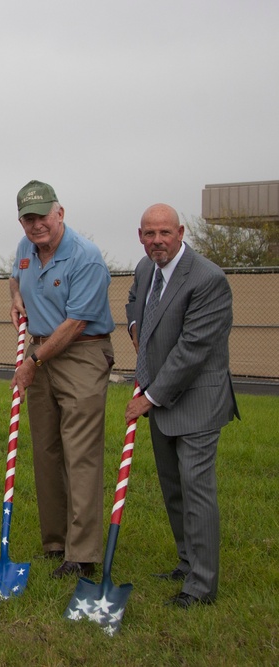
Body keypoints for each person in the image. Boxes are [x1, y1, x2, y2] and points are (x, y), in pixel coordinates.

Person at [125, 203, 238, 608]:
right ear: (141, 236)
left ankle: (201, 586)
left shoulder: (208, 279)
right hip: (160, 399)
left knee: (196, 490)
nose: (157, 241)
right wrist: (136, 329)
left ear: (181, 232)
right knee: (174, 489)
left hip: (196, 401)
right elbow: (134, 303)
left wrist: (148, 398)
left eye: (165, 233)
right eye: (149, 233)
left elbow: (193, 349)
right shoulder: (145, 268)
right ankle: (187, 561)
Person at [9, 180, 115, 579]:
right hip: (40, 351)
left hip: (80, 352)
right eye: (28, 219)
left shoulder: (86, 257)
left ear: (60, 213)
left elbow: (76, 323)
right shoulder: (25, 249)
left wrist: (32, 361)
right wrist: (15, 296)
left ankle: (82, 554)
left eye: (43, 216)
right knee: (46, 450)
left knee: (80, 452)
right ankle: (55, 542)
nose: (37, 225)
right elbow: (15, 277)